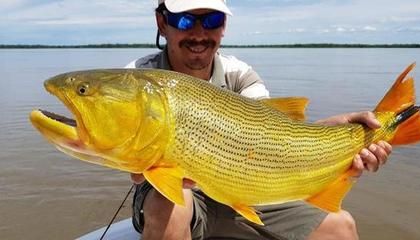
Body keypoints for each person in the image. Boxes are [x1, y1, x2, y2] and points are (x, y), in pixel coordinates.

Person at [127, 0, 392, 239]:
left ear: (223, 26)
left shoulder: (240, 74)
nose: (198, 33)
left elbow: (269, 138)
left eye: (211, 21)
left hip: (243, 186)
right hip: (179, 192)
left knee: (341, 227)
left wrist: (333, 134)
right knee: (170, 209)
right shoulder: (137, 78)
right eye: (184, 20)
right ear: (162, 23)